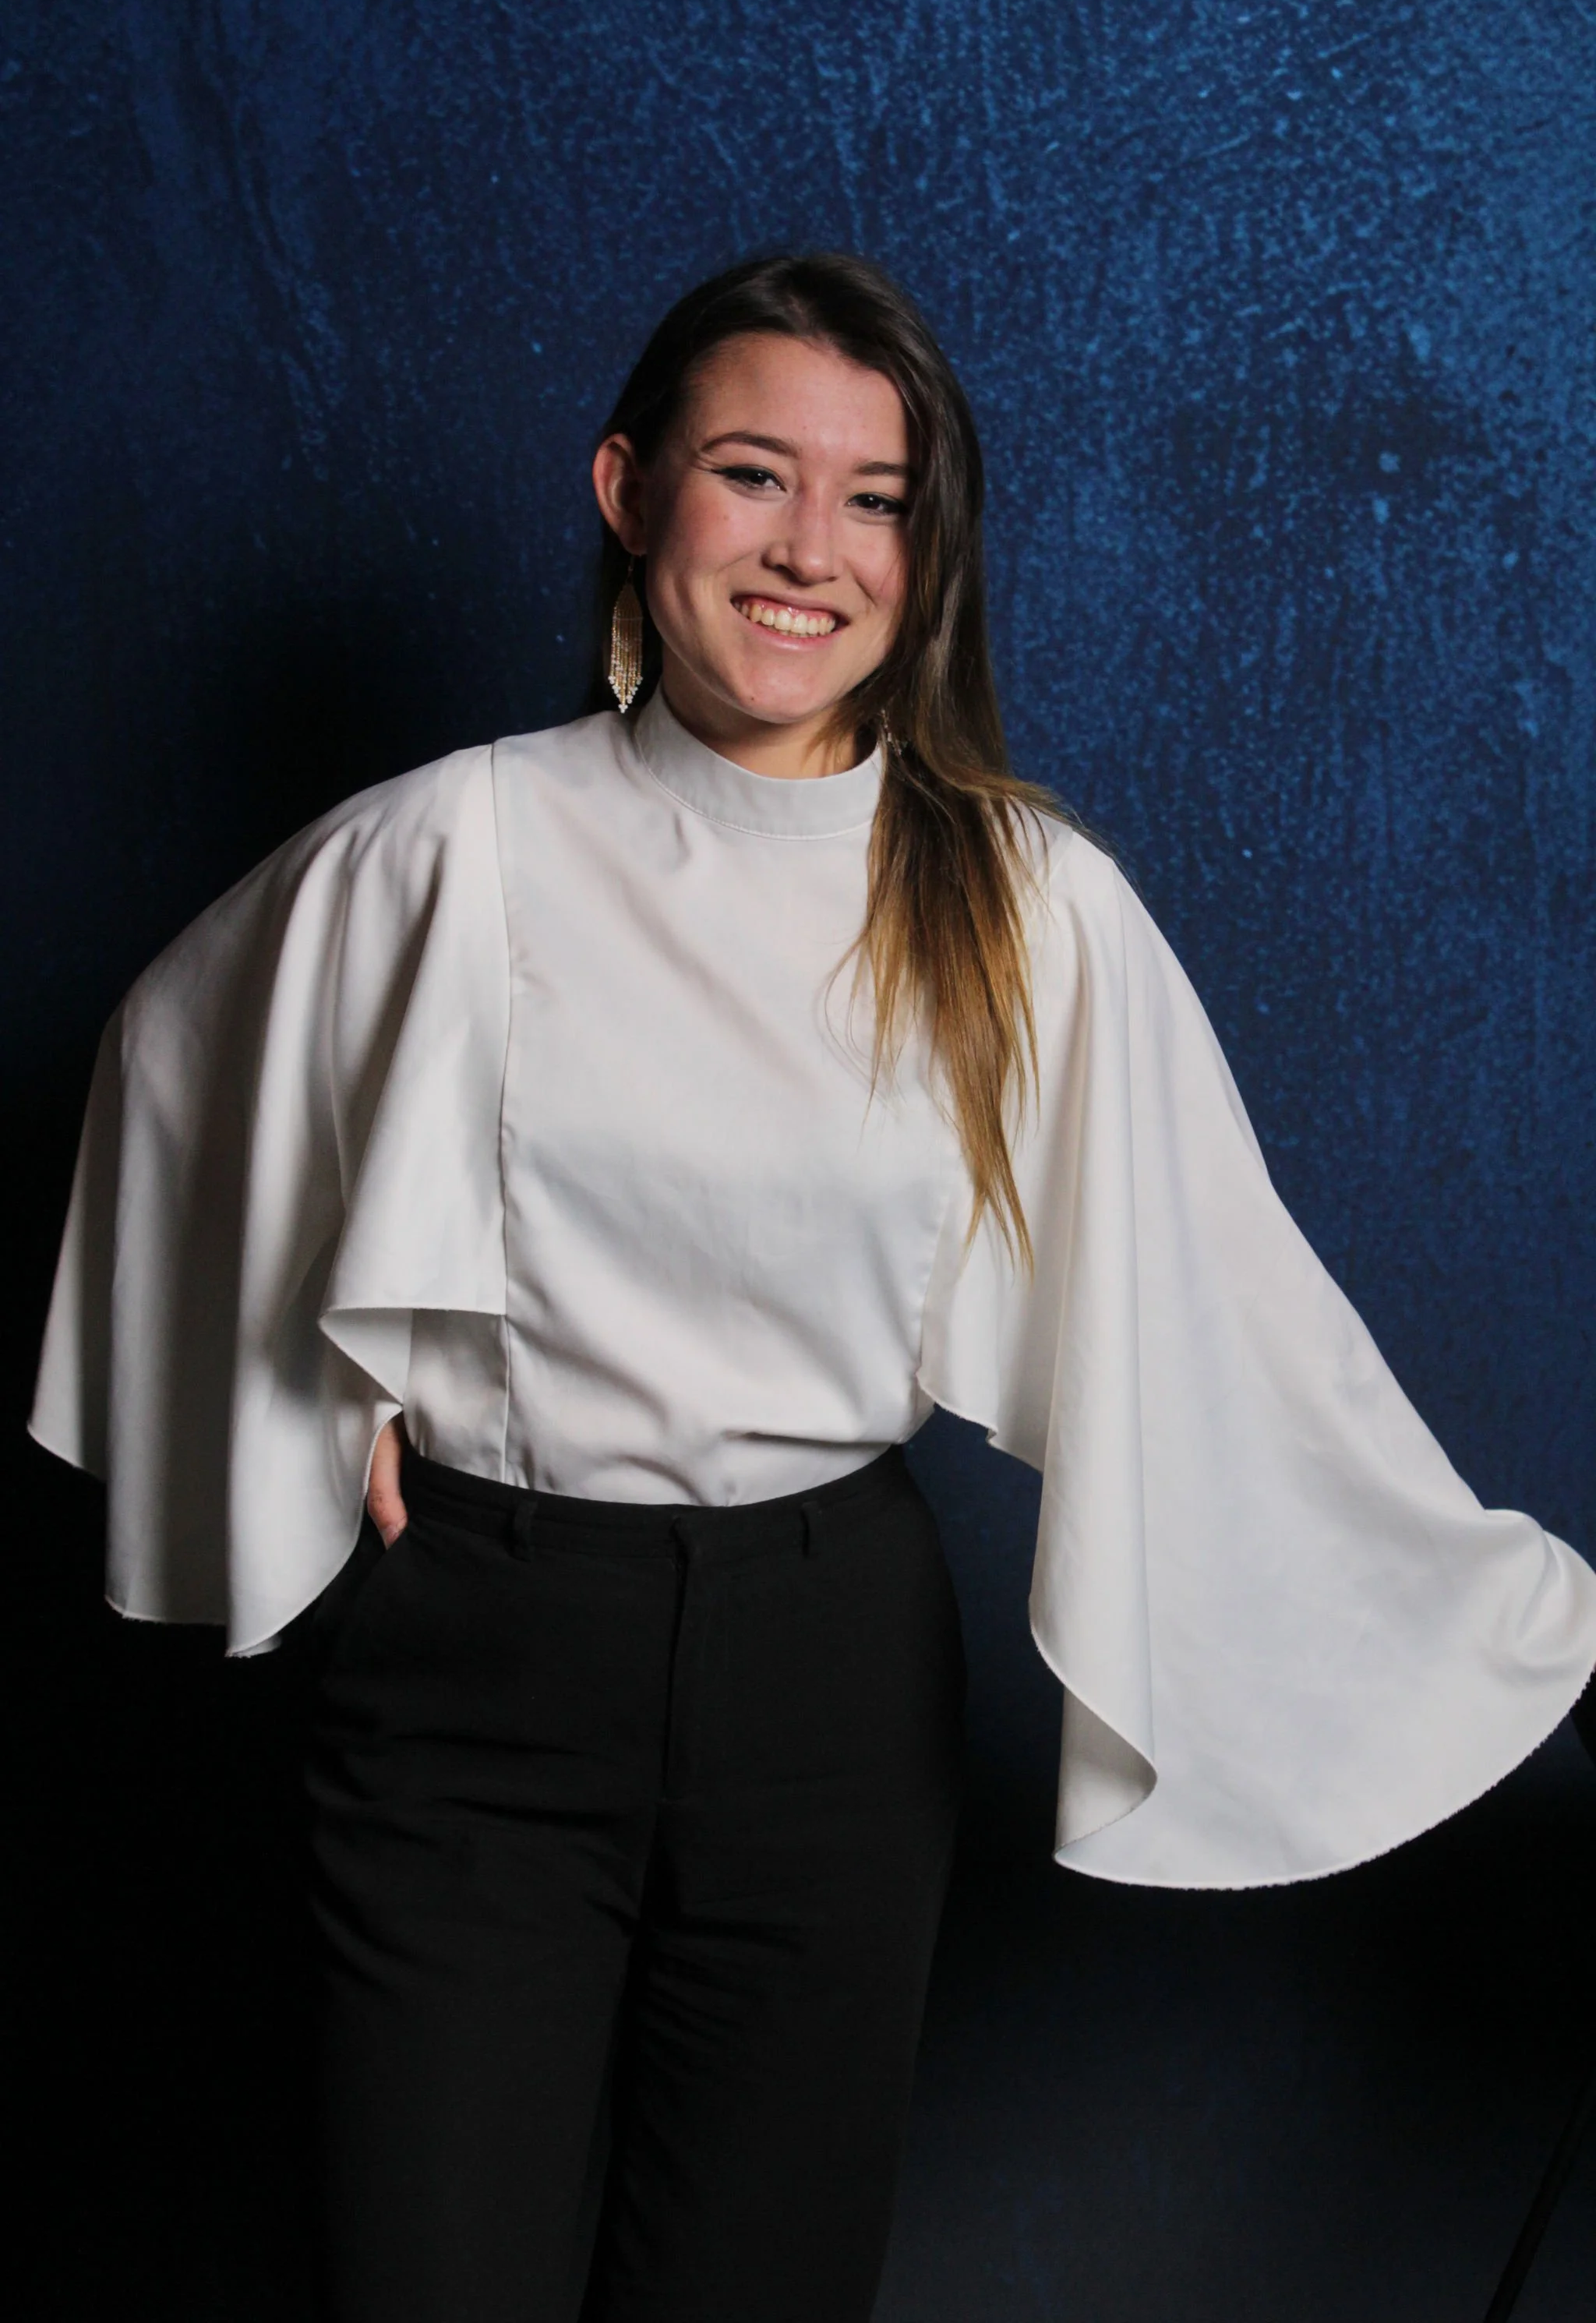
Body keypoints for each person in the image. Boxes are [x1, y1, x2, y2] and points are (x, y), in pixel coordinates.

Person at [30, 251, 1596, 2323]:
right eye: (752, 474)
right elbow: (166, 1055)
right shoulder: (454, 846)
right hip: (479, 1672)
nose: (809, 550)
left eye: (876, 498)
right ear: (627, 489)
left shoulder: (1029, 903)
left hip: (829, 1684)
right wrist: (316, 1400)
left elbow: (1242, 1327)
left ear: (925, 550)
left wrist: (1538, 1629)